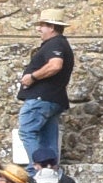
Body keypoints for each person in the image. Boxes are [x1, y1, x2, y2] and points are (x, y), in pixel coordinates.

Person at [15, 11, 74, 168]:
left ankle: (38, 169)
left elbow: (55, 65)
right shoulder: (61, 44)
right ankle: (50, 173)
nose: (38, 29)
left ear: (52, 27)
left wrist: (32, 77)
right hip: (52, 99)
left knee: (27, 132)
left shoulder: (55, 44)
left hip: (41, 98)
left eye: (42, 25)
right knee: (48, 140)